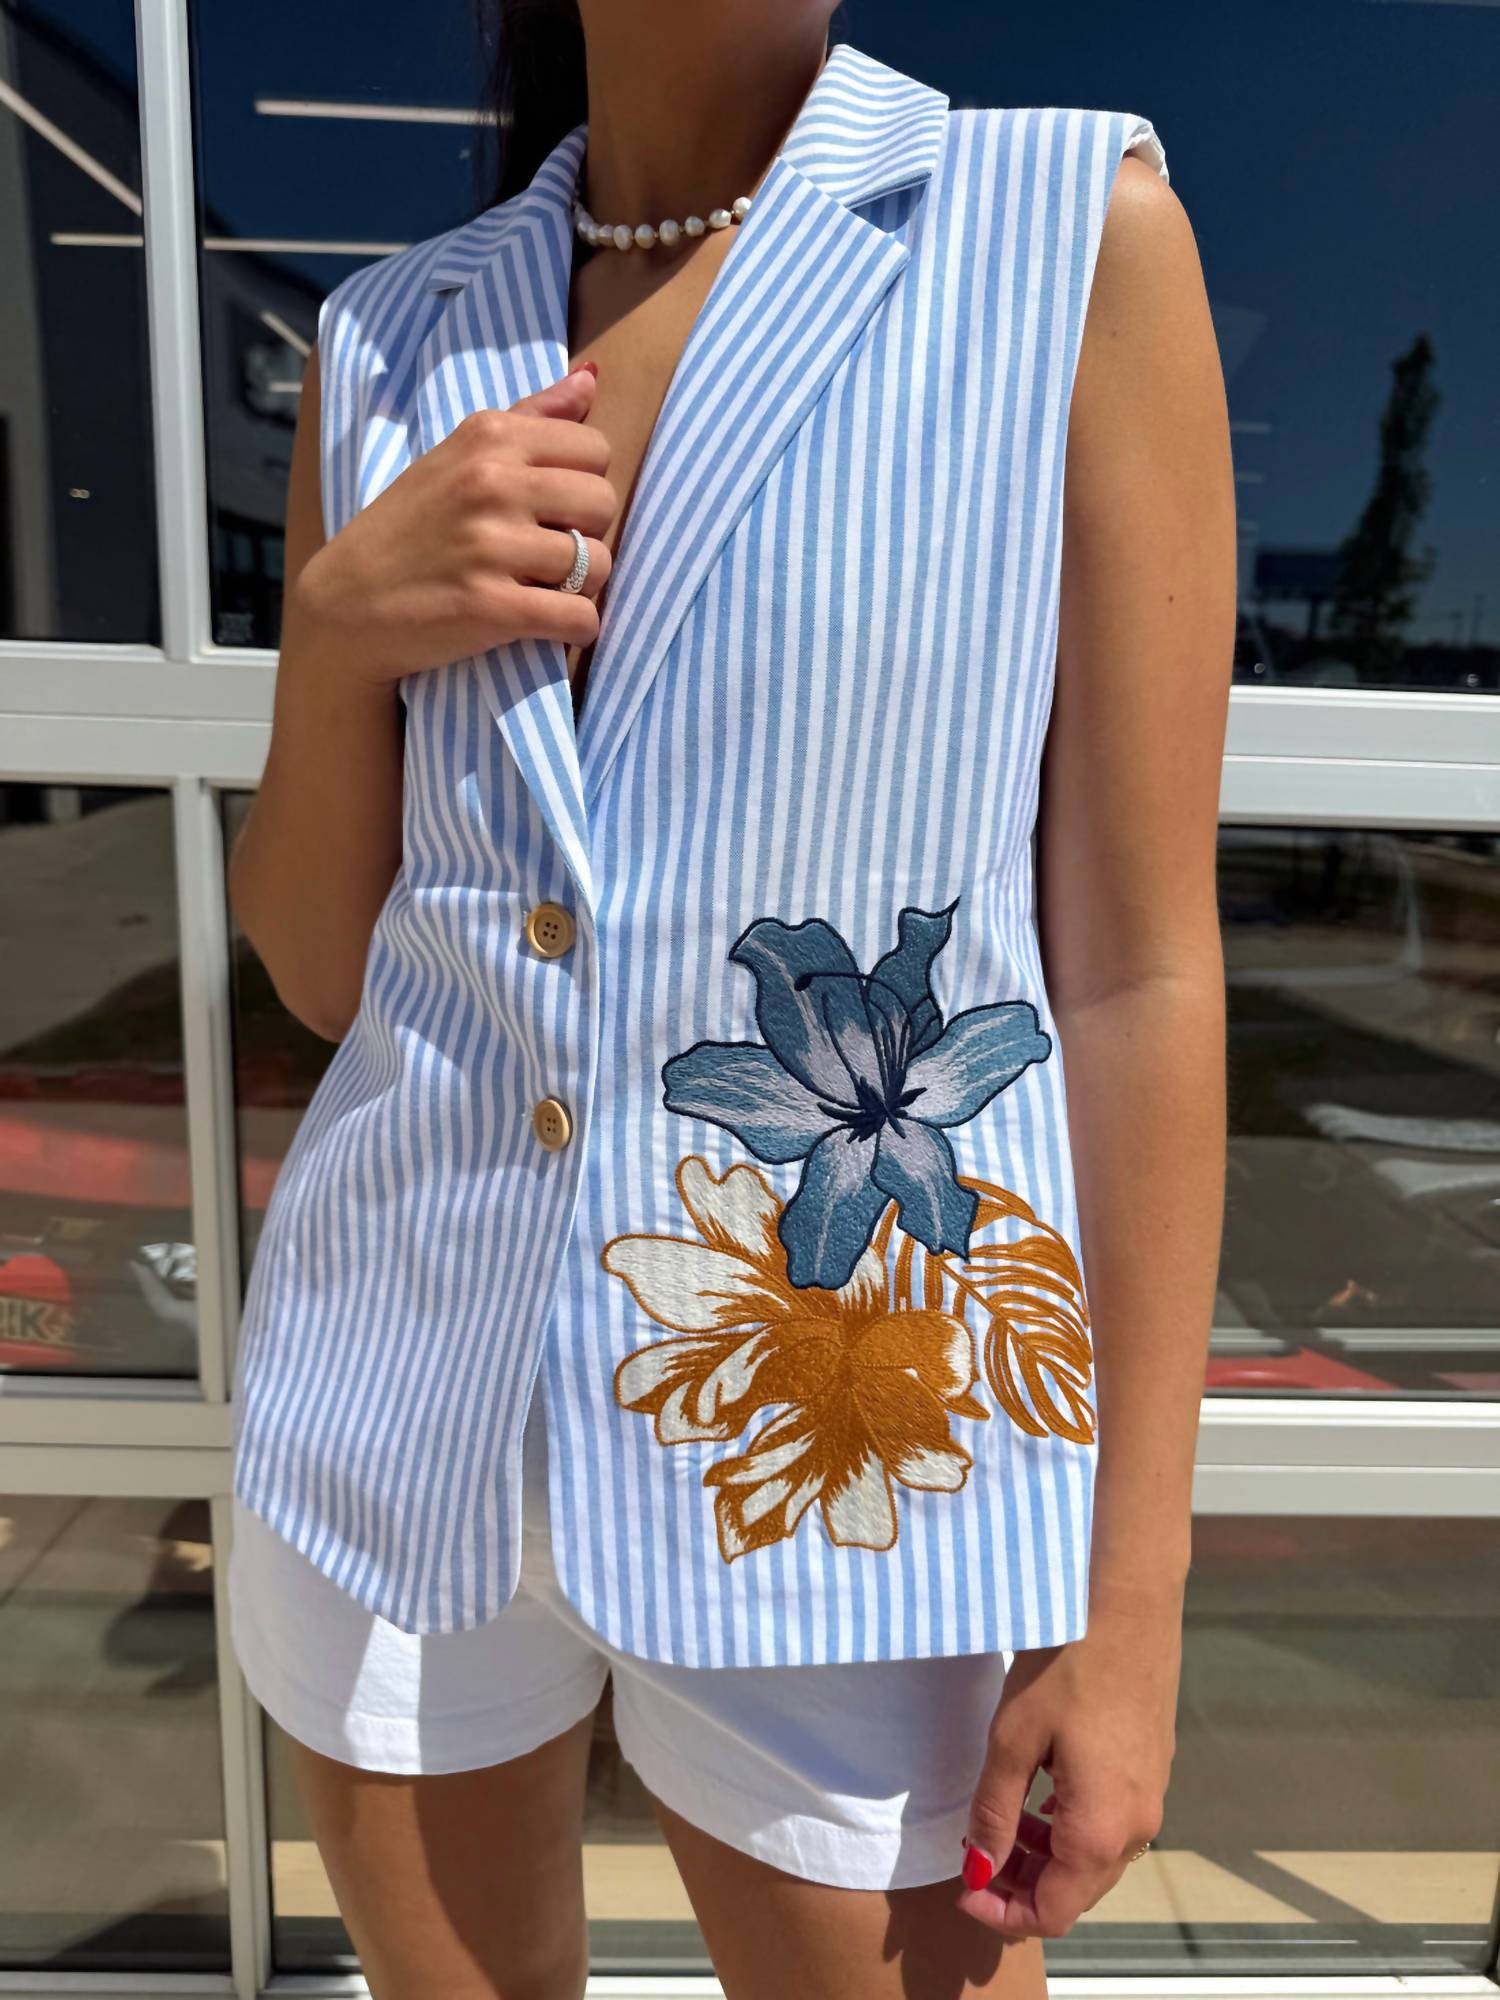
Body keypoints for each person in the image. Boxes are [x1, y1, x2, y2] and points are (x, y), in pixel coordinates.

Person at [225, 4, 1235, 1995]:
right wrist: (337, 631)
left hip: (847, 1419)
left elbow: (1137, 966)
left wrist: (1128, 1597)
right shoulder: (395, 338)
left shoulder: (1065, 235)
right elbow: (327, 969)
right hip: (399, 1397)